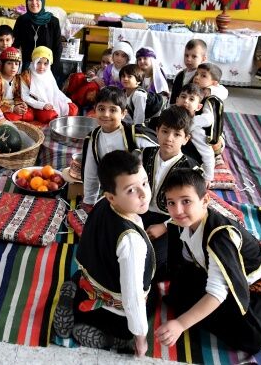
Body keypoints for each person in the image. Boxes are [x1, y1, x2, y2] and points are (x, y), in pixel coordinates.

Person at [53, 151, 154, 356]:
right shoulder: (131, 241)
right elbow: (132, 297)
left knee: (84, 281)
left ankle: (71, 299)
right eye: (131, 190)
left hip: (89, 284)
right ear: (111, 197)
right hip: (113, 308)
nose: (143, 194)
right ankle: (105, 337)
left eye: (144, 183)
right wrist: (141, 339)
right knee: (146, 309)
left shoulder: (102, 204)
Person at [156, 169, 261, 355]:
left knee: (253, 336)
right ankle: (205, 309)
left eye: (186, 201)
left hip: (252, 283)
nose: (178, 211)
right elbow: (187, 261)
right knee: (177, 294)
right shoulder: (181, 224)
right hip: (208, 268)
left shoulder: (220, 236)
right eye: (171, 203)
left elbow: (218, 291)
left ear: (205, 200)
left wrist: (181, 324)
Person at [141, 106, 200, 276]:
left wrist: (164, 227)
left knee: (155, 262)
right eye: (165, 131)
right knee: (119, 243)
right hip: (140, 211)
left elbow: (192, 210)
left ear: (186, 139)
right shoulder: (145, 154)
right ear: (157, 131)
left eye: (177, 134)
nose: (169, 138)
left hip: (172, 220)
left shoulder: (191, 169)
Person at [81, 87, 157, 210]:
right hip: (113, 196)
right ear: (95, 110)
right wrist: (89, 201)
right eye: (101, 109)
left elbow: (157, 163)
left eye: (113, 110)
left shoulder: (135, 137)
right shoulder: (93, 138)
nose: (106, 114)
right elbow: (91, 172)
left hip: (140, 197)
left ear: (123, 114)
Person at [13, 0, 62, 80]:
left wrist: (53, 68)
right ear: (26, 2)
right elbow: (14, 44)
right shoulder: (22, 20)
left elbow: (58, 47)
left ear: (42, 1)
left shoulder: (53, 21)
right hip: (27, 65)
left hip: (46, 65)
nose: (34, 2)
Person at [21, 46, 78, 123]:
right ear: (34, 61)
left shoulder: (48, 72)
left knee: (73, 108)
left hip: (53, 101)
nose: (42, 67)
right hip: (37, 106)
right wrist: (42, 105)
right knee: (50, 116)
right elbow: (25, 97)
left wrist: (66, 100)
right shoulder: (26, 75)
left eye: (45, 63)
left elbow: (55, 91)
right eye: (38, 62)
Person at [176, 83, 218, 186]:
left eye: (191, 99)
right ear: (177, 100)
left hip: (189, 159)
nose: (186, 101)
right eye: (183, 97)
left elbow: (207, 153)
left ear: (198, 107)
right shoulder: (172, 116)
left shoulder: (195, 127)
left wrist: (208, 177)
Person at [0, 47, 33, 122]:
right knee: (11, 118)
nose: (13, 67)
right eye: (9, 63)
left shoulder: (18, 78)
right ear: (2, 64)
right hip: (2, 107)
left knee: (29, 115)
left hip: (14, 105)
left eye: (16, 64)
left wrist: (21, 104)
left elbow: (18, 96)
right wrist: (12, 108)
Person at [169, 39, 208, 105]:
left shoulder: (204, 76)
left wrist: (210, 89)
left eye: (194, 56)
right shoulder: (180, 74)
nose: (188, 59)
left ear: (203, 58)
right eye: (186, 55)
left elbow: (222, 91)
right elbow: (173, 96)